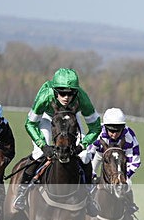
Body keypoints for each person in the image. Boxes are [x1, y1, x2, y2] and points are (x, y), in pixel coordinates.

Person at [13, 68, 101, 210]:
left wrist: (82, 145)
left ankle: (89, 196)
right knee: (38, 154)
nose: (66, 97)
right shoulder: (45, 96)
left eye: (71, 93)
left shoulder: (82, 98)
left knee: (85, 156)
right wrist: (43, 145)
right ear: (55, 91)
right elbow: (30, 123)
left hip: (71, 118)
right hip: (47, 118)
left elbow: (96, 126)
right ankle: (22, 193)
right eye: (62, 93)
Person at [86, 108, 141, 220]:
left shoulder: (129, 136)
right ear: (105, 127)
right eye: (111, 130)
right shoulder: (98, 132)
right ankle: (82, 206)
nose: (114, 134)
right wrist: (92, 174)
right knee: (87, 179)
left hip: (120, 158)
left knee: (128, 183)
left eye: (118, 130)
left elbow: (135, 160)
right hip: (99, 155)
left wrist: (124, 177)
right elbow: (87, 155)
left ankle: (130, 208)